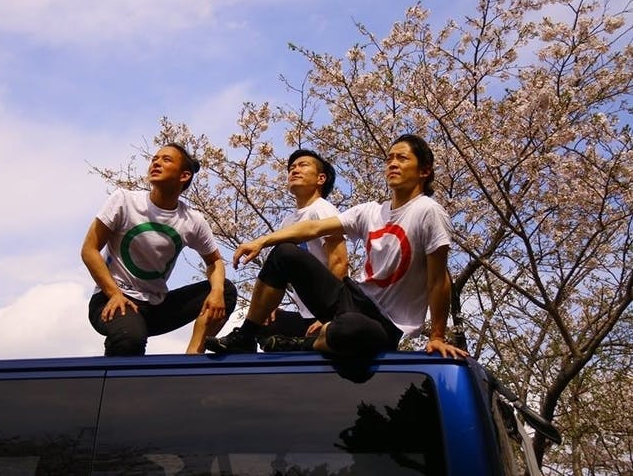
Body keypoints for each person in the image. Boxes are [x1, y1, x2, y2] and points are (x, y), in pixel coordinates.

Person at [205, 134, 468, 359]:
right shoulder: (370, 211)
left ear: (424, 171)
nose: (393, 164)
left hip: (384, 324)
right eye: (389, 159)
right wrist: (262, 241)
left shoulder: (428, 212)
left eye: (402, 158)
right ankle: (245, 336)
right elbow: (313, 228)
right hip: (352, 299)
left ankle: (301, 345)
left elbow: (438, 280)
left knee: (349, 330)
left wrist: (437, 336)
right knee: (284, 253)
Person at [81, 143, 237, 355]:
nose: (156, 163)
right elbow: (89, 249)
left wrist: (217, 292)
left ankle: (193, 355)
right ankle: (114, 374)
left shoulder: (192, 220)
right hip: (112, 298)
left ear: (184, 176)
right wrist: (114, 294)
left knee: (225, 290)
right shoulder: (124, 201)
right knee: (129, 338)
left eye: (166, 159)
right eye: (155, 159)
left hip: (156, 306)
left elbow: (215, 261)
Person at [255, 149, 348, 347]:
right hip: (305, 315)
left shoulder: (323, 209)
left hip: (329, 311)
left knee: (324, 339)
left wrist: (328, 317)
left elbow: (339, 261)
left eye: (303, 165)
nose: (295, 170)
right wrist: (272, 306)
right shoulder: (288, 222)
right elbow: (281, 272)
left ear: (321, 178)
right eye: (292, 168)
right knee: (263, 324)